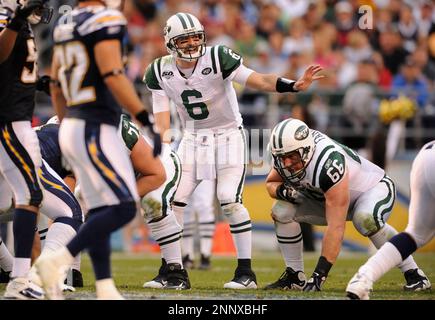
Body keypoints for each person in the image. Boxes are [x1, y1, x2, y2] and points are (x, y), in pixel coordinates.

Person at [144, 12, 323, 289]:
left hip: (227, 135)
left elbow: (257, 79)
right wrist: (165, 147)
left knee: (229, 198)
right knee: (173, 200)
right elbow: (161, 115)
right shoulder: (159, 70)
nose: (192, 44)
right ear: (170, 42)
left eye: (195, 37)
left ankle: (245, 273)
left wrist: (292, 85)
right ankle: (173, 270)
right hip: (192, 139)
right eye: (184, 39)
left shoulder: (217, 57)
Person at [34, 0, 162, 300]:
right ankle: (56, 260)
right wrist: (144, 118)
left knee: (101, 207)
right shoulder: (105, 18)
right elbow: (113, 75)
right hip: (96, 124)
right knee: (124, 206)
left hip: (73, 123)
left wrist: (65, 124)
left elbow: (54, 84)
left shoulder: (66, 22)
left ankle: (105, 286)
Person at [264, 118, 430, 292]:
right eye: (282, 157)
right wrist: (283, 192)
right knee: (280, 210)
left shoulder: (328, 163)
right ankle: (294, 276)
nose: (287, 163)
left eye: (291, 156)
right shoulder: (285, 153)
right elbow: (271, 183)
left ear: (306, 150)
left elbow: (336, 227)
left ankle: (414, 273)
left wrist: (319, 274)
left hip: (372, 189)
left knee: (365, 219)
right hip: (328, 197)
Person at [0, 0, 54, 299]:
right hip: (9, 122)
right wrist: (14, 20)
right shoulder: (7, 17)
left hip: (17, 118)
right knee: (29, 195)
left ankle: (18, 276)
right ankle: (19, 280)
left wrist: (36, 84)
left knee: (24, 197)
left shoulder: (18, 21)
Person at [0, 117, 84, 294]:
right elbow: (34, 211)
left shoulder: (49, 133)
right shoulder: (74, 142)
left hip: (10, 151)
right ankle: (39, 274)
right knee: (71, 213)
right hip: (15, 154)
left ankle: (9, 270)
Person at [346, 140, 434, 300]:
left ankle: (363, 277)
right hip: (380, 194)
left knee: (415, 235)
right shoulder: (384, 153)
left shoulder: (366, 154)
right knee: (374, 224)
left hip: (426, 155)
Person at [117, 114, 189, 290]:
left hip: (161, 165)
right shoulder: (71, 132)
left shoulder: (119, 130)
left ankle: (176, 272)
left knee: (153, 203)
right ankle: (71, 272)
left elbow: (157, 174)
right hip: (137, 173)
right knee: (80, 199)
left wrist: (123, 199)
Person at [182, 179, 216, 270]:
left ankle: (205, 254)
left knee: (205, 207)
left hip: (205, 167)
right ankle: (187, 255)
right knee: (184, 207)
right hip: (184, 167)